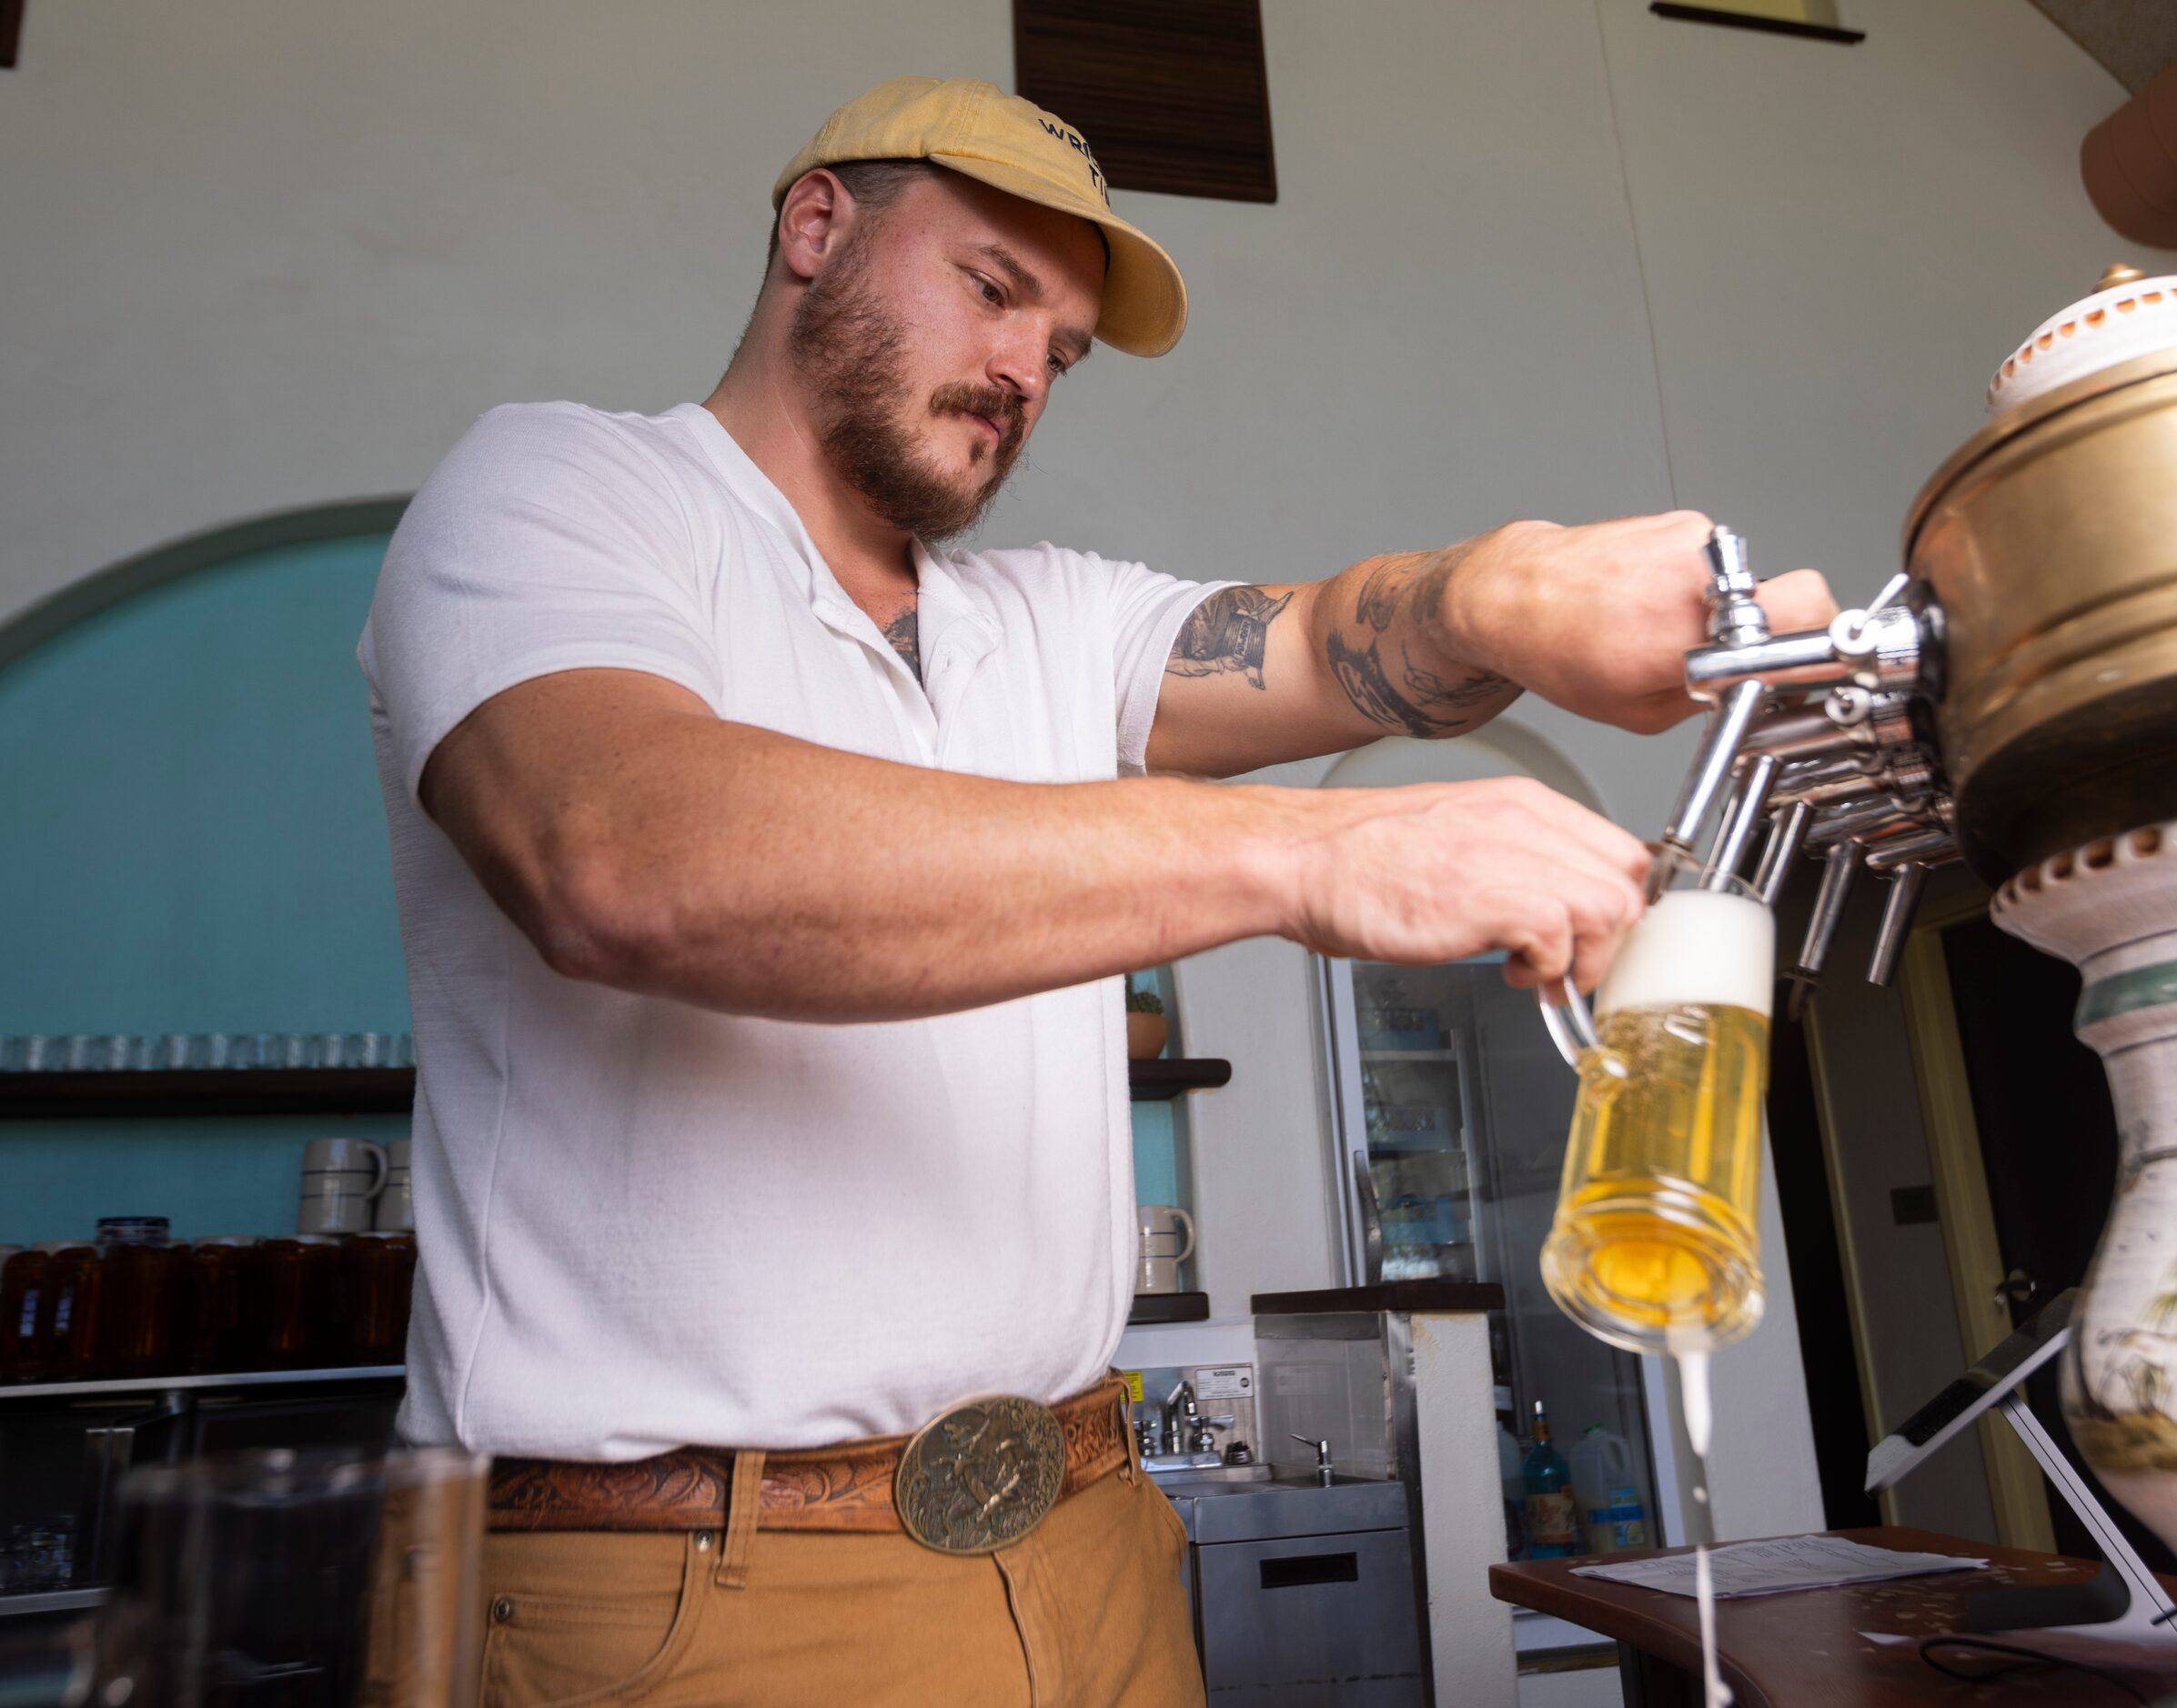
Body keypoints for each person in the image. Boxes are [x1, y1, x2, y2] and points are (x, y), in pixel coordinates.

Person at [359, 75, 1832, 1705]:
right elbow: (621, 852)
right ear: (815, 226)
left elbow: (1331, 633)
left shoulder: (1047, 620)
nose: (1019, 373)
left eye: (1059, 352)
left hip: (1092, 1541)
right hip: (694, 1586)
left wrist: (1509, 591)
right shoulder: (567, 495)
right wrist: (1312, 854)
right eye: (993, 289)